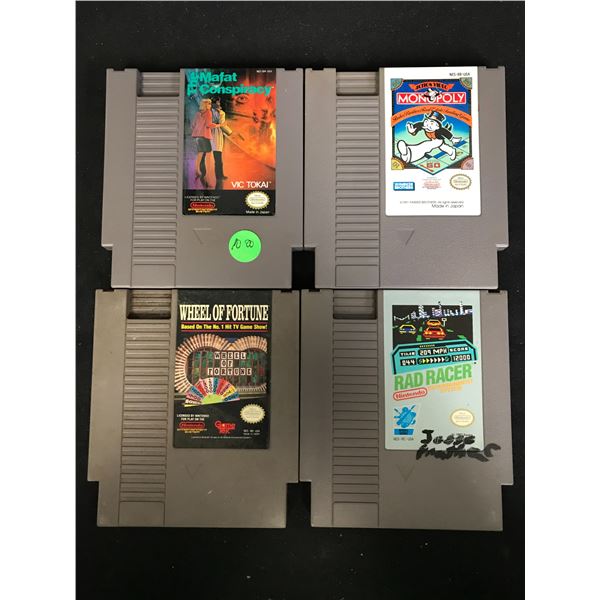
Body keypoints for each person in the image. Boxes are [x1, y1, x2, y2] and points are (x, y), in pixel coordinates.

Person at [396, 111, 462, 164]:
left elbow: (446, 133)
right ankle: (451, 151)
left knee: (426, 146)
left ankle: (410, 154)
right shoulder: (425, 125)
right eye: (427, 121)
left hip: (438, 140)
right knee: (442, 146)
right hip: (433, 139)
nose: (427, 124)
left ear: (437, 126)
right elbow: (418, 125)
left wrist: (453, 139)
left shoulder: (440, 130)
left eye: (432, 123)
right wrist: (412, 130)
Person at [191, 98, 221, 183]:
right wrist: (219, 125)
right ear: (205, 105)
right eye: (209, 104)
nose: (210, 105)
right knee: (209, 154)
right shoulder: (208, 112)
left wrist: (198, 130)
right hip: (205, 136)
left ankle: (197, 170)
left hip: (197, 137)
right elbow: (209, 125)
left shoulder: (198, 113)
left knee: (200, 153)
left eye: (210, 103)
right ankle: (208, 175)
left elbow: (193, 125)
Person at [210, 98, 228, 181]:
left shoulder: (211, 112)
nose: (219, 103)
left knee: (217, 157)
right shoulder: (220, 113)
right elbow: (222, 124)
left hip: (215, 133)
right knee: (218, 157)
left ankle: (219, 175)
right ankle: (219, 176)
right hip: (216, 134)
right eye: (218, 102)